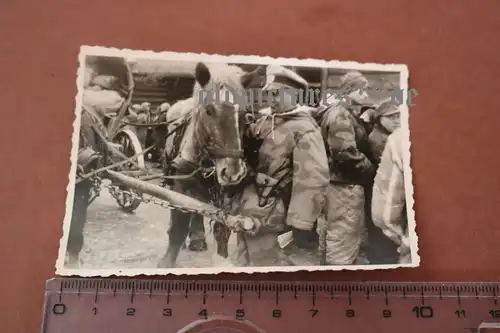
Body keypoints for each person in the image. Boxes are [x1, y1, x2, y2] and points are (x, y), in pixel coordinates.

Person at [229, 65, 330, 266]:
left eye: (276, 94)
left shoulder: (304, 129)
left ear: (293, 95)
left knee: (266, 264)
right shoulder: (263, 122)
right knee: (239, 260)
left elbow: (312, 178)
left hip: (273, 214)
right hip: (245, 207)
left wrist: (299, 222)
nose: (270, 100)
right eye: (268, 94)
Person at [312, 70, 377, 265]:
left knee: (330, 234)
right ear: (349, 90)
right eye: (362, 89)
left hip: (333, 184)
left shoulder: (340, 112)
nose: (366, 94)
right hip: (344, 187)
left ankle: (327, 271)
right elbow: (345, 154)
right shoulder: (341, 115)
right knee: (343, 237)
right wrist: (372, 172)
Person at [371, 127, 411, 264]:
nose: (395, 119)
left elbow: (386, 212)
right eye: (390, 116)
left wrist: (402, 238)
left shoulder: (399, 139)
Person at [368, 98, 401, 166]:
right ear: (380, 119)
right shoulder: (379, 141)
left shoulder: (389, 131)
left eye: (398, 116)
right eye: (392, 117)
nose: (397, 121)